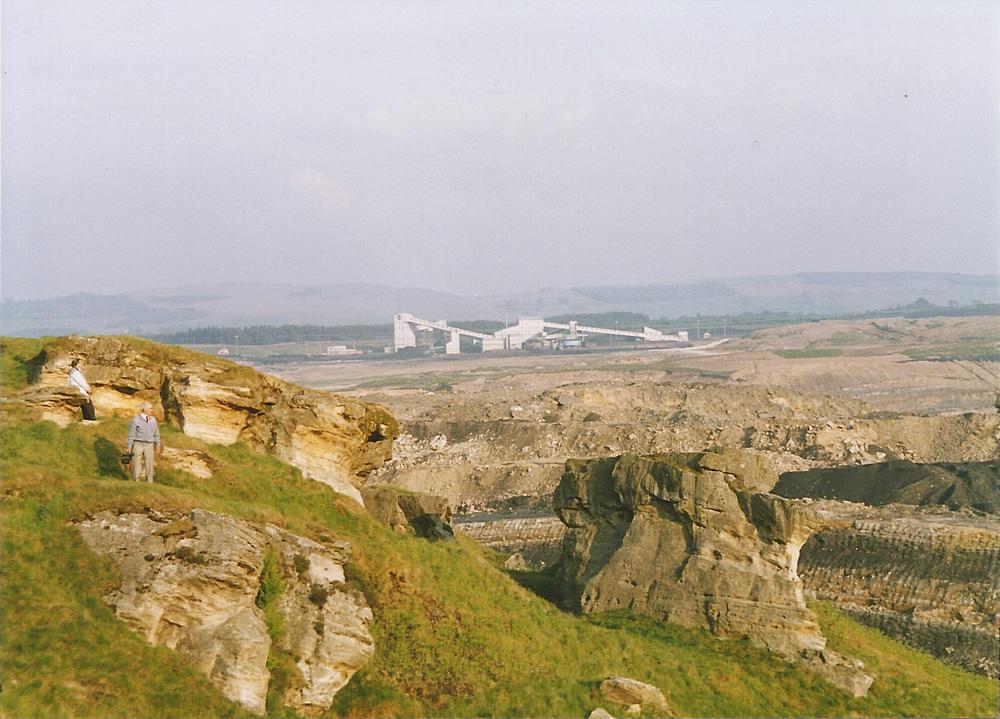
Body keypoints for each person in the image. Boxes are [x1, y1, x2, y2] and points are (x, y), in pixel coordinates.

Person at [126, 402, 162, 482]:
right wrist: (129, 447)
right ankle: (136, 481)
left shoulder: (153, 420)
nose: (152, 410)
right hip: (138, 444)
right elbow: (131, 434)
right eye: (150, 408)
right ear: (145, 409)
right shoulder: (135, 420)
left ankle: (149, 482)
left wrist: (158, 445)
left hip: (149, 444)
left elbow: (156, 433)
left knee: (149, 464)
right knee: (136, 464)